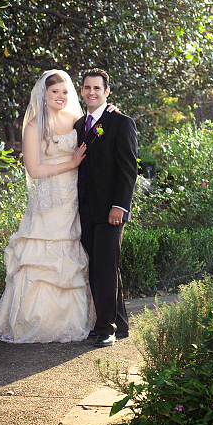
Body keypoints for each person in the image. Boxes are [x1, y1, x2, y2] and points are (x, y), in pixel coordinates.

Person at [0, 70, 94, 343]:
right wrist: (72, 163)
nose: (61, 96)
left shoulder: (75, 119)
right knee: (41, 256)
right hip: (48, 201)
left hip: (72, 198)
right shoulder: (34, 126)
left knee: (70, 254)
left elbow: (99, 130)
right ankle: (37, 321)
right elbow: (33, 169)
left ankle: (72, 320)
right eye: (55, 92)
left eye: (65, 92)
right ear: (43, 95)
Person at [74, 69, 138, 347]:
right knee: (102, 267)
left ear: (106, 91)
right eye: (87, 88)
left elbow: (128, 171)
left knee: (104, 269)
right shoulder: (79, 126)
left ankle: (105, 329)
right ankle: (121, 325)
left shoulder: (121, 123)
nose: (91, 92)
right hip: (86, 210)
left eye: (97, 88)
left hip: (111, 211)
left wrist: (119, 207)